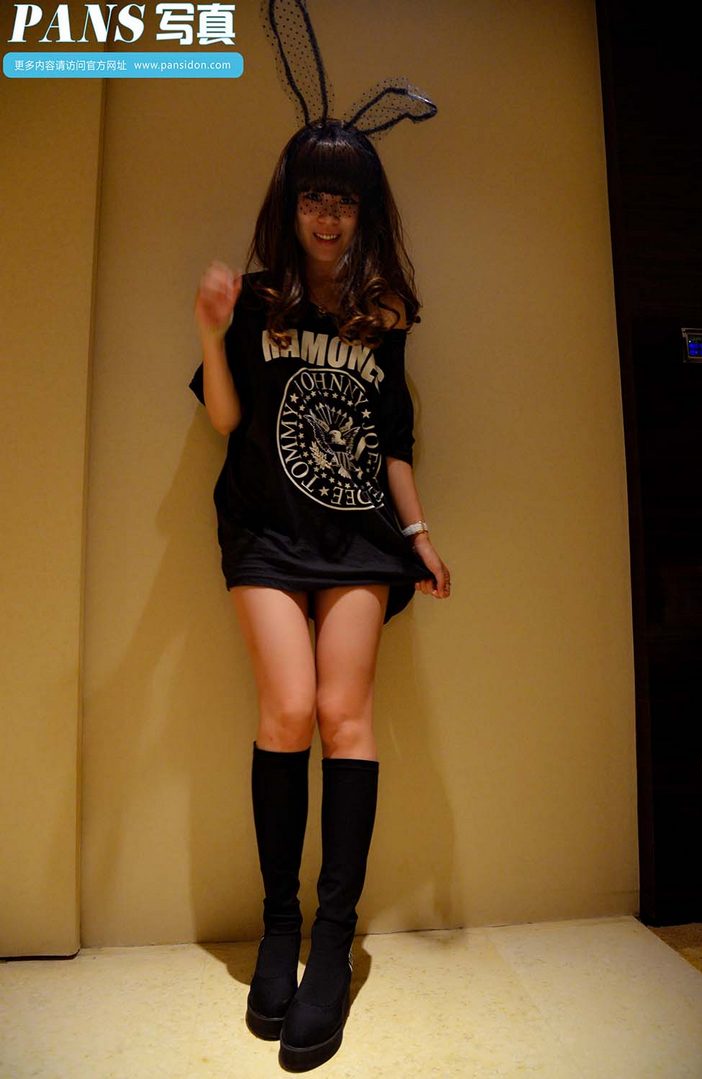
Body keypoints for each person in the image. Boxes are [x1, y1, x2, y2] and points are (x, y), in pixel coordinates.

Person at [191, 119, 450, 1072]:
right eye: (313, 196)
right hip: (265, 532)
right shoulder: (261, 299)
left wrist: (417, 535)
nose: (328, 216)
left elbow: (393, 443)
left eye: (343, 198)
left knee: (346, 717)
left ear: (365, 210)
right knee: (289, 708)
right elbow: (226, 418)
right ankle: (278, 926)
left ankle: (331, 944)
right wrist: (212, 330)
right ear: (290, 205)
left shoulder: (385, 313)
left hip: (358, 538)